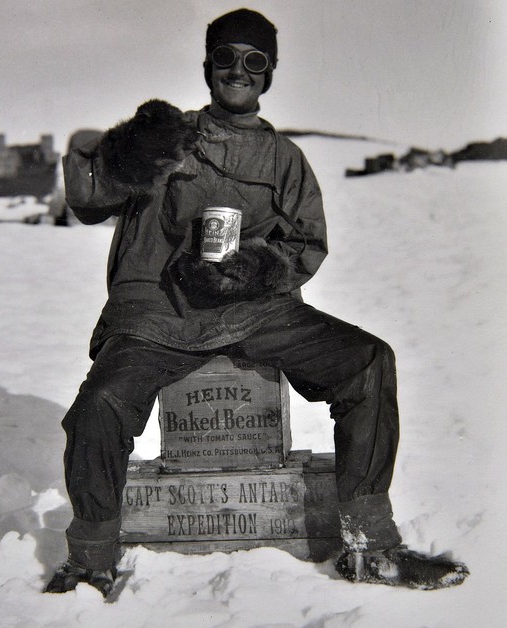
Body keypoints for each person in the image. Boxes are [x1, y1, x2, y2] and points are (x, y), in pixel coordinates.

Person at [45, 8, 468, 597]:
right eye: (225, 58)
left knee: (368, 363)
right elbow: (90, 200)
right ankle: (91, 560)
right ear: (208, 67)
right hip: (160, 315)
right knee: (101, 404)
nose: (237, 71)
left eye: (253, 61)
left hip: (254, 311)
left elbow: (306, 245)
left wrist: (253, 270)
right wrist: (125, 153)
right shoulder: (171, 139)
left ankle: (371, 548)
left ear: (268, 73)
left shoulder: (285, 159)